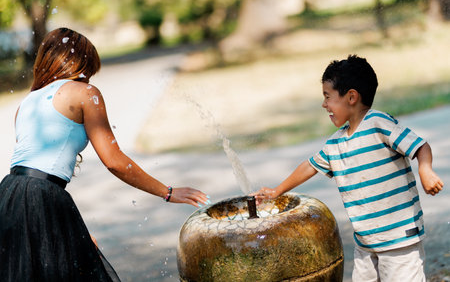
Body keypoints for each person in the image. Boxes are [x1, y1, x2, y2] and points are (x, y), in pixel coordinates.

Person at [0, 27, 210, 281]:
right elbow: (114, 162)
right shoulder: (86, 94)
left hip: (8, 195)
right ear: (80, 63)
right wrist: (167, 192)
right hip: (42, 198)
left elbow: (40, 172)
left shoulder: (26, 104)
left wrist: (73, 230)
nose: (88, 78)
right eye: (88, 69)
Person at [254, 55, 444, 282]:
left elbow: (420, 146)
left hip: (399, 239)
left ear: (351, 97)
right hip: (365, 241)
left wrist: (425, 169)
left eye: (328, 97)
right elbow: (309, 166)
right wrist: (277, 191)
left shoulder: (378, 124)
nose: (324, 104)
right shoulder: (335, 143)